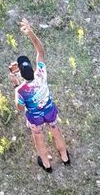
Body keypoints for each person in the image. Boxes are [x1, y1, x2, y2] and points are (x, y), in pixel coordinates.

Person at [10, 17, 70, 171]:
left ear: (20, 74)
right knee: (55, 129)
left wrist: (16, 85)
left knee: (39, 138)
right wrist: (30, 32)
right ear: (32, 68)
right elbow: (40, 51)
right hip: (49, 110)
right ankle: (64, 156)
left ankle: (46, 164)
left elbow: (20, 108)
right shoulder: (41, 73)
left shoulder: (21, 90)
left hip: (35, 117)